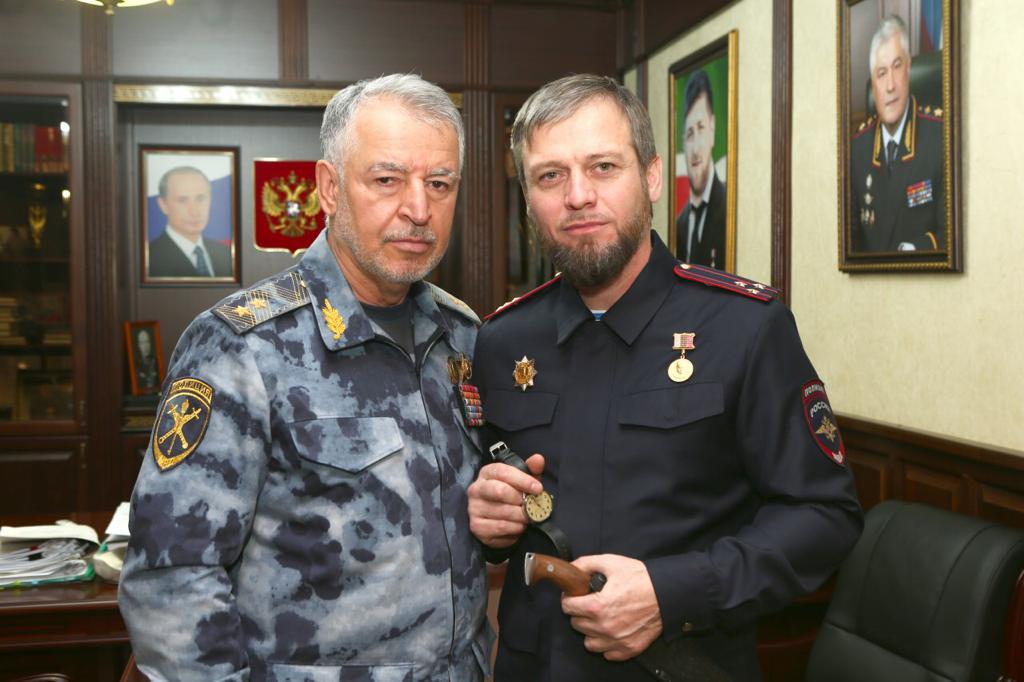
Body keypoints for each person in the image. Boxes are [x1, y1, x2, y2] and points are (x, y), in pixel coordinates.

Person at [467, 74, 863, 681]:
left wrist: (673, 592)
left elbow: (825, 516)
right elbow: (501, 509)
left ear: (652, 177)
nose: (578, 196)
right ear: (528, 198)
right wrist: (491, 525)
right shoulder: (501, 341)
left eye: (603, 167)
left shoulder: (745, 328)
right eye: (550, 176)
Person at [120, 74, 493, 681]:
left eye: (439, 183)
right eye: (387, 180)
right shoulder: (242, 346)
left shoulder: (464, 336)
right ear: (329, 187)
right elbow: (172, 577)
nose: (419, 209)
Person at [851, 14, 944, 253]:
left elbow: (953, 235)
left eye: (897, 66)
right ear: (873, 84)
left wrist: (914, 250)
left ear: (909, 67)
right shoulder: (856, 149)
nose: (890, 85)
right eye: (881, 73)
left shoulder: (940, 138)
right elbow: (850, 244)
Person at [674, 69, 726, 268]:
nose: (695, 149)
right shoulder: (679, 225)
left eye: (701, 128)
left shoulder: (729, 212)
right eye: (689, 134)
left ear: (712, 128)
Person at [147, 166, 233, 278]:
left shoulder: (226, 254)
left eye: (200, 199)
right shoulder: (149, 258)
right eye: (182, 200)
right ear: (163, 205)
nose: (194, 211)